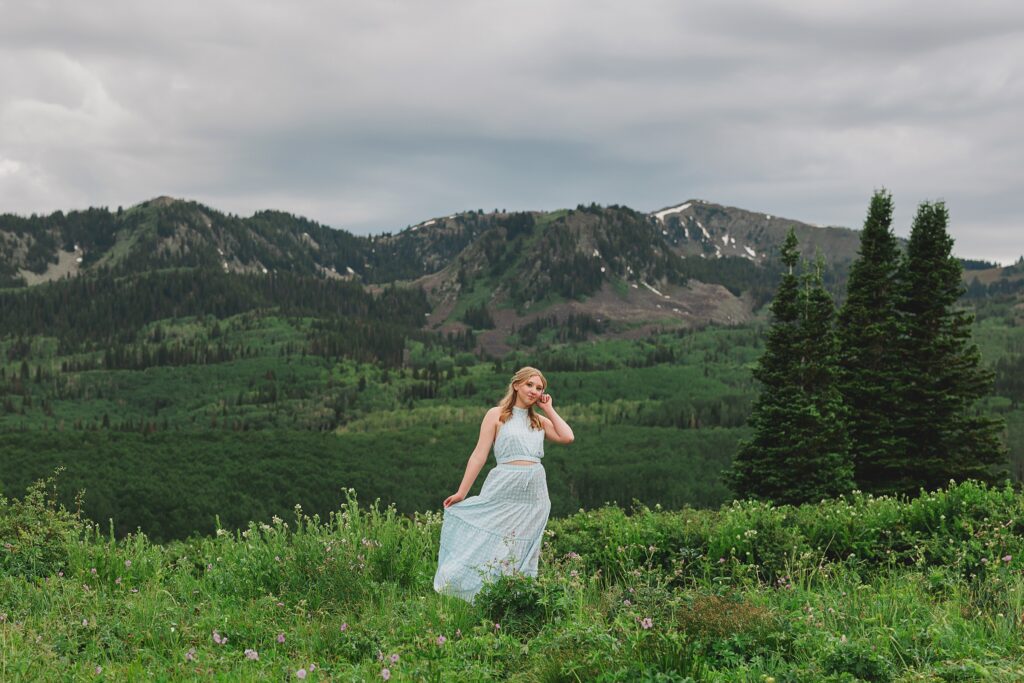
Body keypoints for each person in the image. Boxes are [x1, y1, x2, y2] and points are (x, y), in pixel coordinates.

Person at [433, 366, 574, 603]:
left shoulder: (539, 420)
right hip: (502, 484)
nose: (534, 391)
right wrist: (462, 492)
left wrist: (548, 408)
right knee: (491, 539)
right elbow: (479, 455)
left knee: (522, 546)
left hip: (534, 496)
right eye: (530, 385)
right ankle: (469, 588)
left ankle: (514, 598)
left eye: (539, 388)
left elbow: (568, 437)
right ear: (517, 384)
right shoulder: (496, 414)